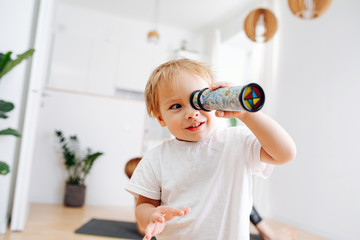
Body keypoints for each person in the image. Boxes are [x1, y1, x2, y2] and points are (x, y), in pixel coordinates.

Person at [125, 59, 296, 240]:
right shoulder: (156, 158)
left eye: (199, 101)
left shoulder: (236, 141)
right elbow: (143, 206)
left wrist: (246, 113)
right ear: (161, 119)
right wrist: (152, 216)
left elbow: (285, 153)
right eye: (176, 106)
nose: (191, 113)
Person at [125, 158, 297, 240]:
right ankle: (269, 233)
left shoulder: (166, 179)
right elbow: (143, 228)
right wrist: (152, 216)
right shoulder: (145, 195)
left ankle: (268, 232)